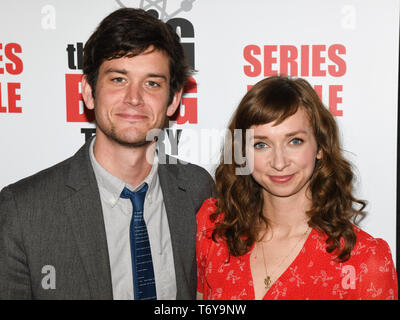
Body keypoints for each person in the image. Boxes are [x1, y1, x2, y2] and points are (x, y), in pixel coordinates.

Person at [0, 8, 215, 300]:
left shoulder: (197, 190)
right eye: (118, 79)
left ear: (174, 100)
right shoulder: (23, 210)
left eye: (152, 83)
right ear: (88, 91)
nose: (134, 98)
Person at [196, 75, 398, 300]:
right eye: (261, 144)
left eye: (295, 141)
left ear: (320, 146)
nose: (279, 162)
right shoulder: (213, 230)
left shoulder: (364, 259)